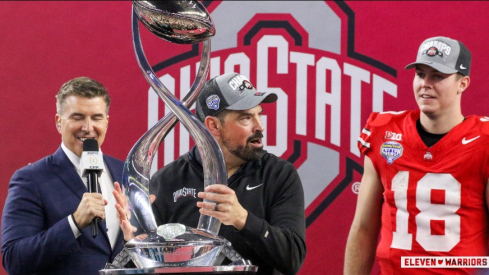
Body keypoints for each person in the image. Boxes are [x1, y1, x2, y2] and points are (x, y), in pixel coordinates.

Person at [114, 73, 306, 275]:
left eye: (259, 114)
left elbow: (292, 259)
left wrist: (243, 219)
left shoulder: (279, 175)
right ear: (213, 125)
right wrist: (133, 244)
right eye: (246, 118)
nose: (260, 126)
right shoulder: (167, 180)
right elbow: (144, 266)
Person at [344, 36, 489, 274]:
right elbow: (363, 229)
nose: (425, 84)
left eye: (438, 76)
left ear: (462, 84)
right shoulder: (384, 132)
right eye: (421, 74)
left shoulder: (483, 142)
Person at [1, 77, 125, 275]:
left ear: (107, 122)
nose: (87, 127)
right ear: (59, 122)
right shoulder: (31, 180)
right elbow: (14, 259)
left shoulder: (125, 172)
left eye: (96, 117)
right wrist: (74, 223)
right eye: (77, 117)